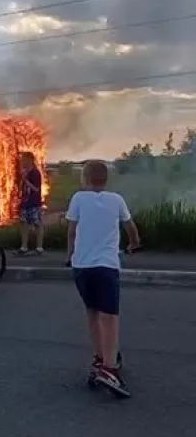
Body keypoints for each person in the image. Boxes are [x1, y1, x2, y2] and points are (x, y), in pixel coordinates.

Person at [66, 160, 140, 397]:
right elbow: (130, 227)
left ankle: (100, 357)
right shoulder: (116, 199)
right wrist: (134, 244)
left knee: (93, 313)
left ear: (85, 180)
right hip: (106, 266)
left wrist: (70, 255)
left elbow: (71, 231)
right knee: (110, 317)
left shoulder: (78, 198)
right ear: (106, 180)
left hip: (82, 266)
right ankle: (110, 368)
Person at [18, 152, 44, 254]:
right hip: (25, 202)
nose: (22, 161)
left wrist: (26, 181)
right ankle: (24, 247)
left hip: (34, 202)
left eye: (23, 159)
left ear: (30, 160)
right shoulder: (25, 172)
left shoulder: (35, 173)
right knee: (24, 224)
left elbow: (36, 189)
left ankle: (39, 247)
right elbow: (21, 188)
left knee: (37, 224)